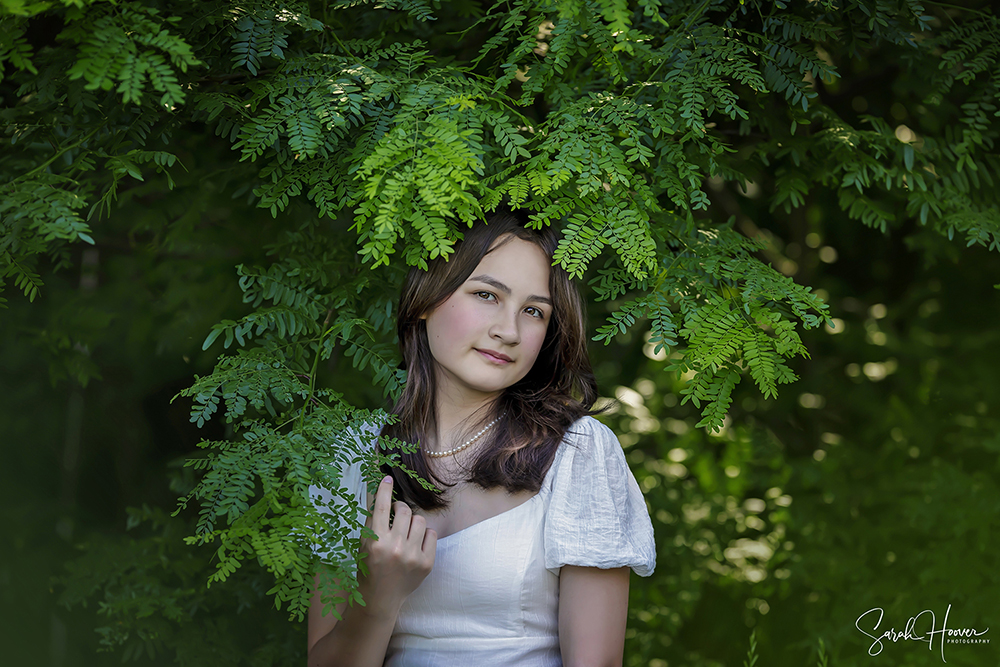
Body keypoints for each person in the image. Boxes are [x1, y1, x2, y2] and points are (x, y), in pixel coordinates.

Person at [307, 210, 656, 666]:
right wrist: (377, 597)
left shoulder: (578, 452)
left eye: (533, 311)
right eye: (487, 295)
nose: (508, 331)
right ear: (427, 296)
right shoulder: (353, 456)